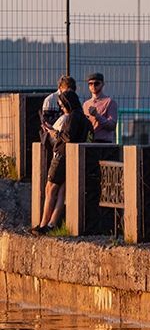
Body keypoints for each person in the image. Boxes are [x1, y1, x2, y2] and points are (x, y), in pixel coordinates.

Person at [33, 90, 89, 234]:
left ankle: (43, 224)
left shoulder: (72, 117)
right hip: (72, 157)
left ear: (67, 104)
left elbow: (67, 137)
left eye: (62, 105)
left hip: (61, 156)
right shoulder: (84, 118)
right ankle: (52, 224)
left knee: (50, 188)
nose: (61, 108)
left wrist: (53, 132)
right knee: (62, 191)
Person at [83, 72, 118, 143]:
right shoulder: (86, 104)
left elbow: (112, 126)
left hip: (104, 142)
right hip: (89, 141)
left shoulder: (110, 102)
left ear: (102, 84)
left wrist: (97, 116)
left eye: (96, 83)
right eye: (90, 84)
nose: (93, 86)